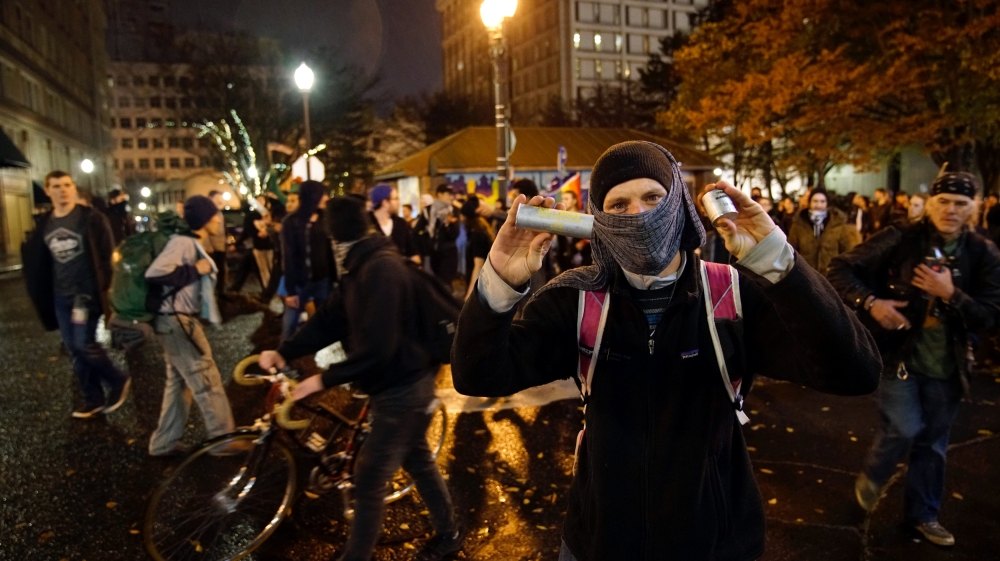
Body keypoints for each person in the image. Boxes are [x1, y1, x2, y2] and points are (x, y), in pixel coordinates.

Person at [452, 141, 881, 561]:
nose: (639, 214)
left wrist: (778, 263)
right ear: (598, 218)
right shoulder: (577, 298)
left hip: (716, 544)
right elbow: (479, 376)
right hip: (598, 542)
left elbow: (855, 371)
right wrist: (498, 283)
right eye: (618, 206)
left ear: (677, 202)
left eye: (653, 196)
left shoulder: (732, 295)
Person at [259, 196, 460, 561]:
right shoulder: (360, 266)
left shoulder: (382, 269)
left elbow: (381, 346)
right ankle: (449, 534)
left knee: (368, 478)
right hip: (395, 386)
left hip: (404, 388)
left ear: (336, 237)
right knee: (417, 460)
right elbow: (329, 320)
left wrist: (324, 380)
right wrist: (284, 351)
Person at [828, 172, 1000, 548]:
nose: (951, 210)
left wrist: (951, 294)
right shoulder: (901, 237)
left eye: (960, 204)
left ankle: (922, 515)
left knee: (933, 444)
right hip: (900, 356)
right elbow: (839, 269)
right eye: (943, 201)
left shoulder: (982, 252)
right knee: (904, 429)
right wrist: (872, 304)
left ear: (974, 208)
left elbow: (990, 315)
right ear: (929, 203)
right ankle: (872, 479)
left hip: (950, 366)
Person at [22, 171, 131, 418]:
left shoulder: (90, 219)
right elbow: (39, 261)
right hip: (61, 296)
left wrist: (108, 287)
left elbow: (107, 254)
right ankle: (92, 399)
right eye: (56, 186)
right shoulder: (45, 224)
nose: (62, 190)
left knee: (83, 343)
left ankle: (117, 379)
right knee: (73, 348)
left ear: (73, 189)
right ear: (48, 191)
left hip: (85, 295)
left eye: (67, 185)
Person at [144, 196, 235, 457]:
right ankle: (224, 440)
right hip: (177, 322)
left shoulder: (190, 241)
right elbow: (155, 274)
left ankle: (163, 443)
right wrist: (197, 269)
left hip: (175, 322)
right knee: (207, 380)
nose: (219, 219)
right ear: (206, 219)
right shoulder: (183, 243)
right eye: (215, 214)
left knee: (179, 383)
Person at [280, 181, 334, 341]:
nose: (326, 198)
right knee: (289, 325)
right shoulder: (291, 222)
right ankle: (282, 360)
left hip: (323, 281)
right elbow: (288, 256)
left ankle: (324, 360)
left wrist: (334, 280)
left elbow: (331, 251)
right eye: (323, 194)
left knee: (327, 323)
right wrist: (290, 291)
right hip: (299, 283)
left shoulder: (325, 219)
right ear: (313, 196)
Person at [787, 188, 862, 273]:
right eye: (815, 201)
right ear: (809, 203)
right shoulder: (798, 225)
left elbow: (846, 252)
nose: (819, 205)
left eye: (822, 201)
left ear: (827, 203)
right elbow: (791, 251)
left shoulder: (838, 225)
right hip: (806, 275)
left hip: (830, 275)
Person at [415, 185, 460, 286]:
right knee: (437, 283)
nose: (451, 197)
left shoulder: (453, 210)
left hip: (449, 252)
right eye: (448, 194)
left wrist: (449, 224)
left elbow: (455, 234)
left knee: (446, 283)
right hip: (434, 253)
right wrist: (424, 246)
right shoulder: (428, 211)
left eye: (452, 194)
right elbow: (416, 231)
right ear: (439, 194)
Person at [369, 183, 420, 264]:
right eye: (396, 199)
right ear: (385, 203)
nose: (399, 202)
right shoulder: (367, 225)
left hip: (399, 274)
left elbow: (413, 253)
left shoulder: (401, 224)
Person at [461, 197, 496, 300]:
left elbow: (478, 265)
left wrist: (470, 293)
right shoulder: (482, 229)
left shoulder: (477, 234)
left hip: (481, 288)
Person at [555, 190, 592, 273]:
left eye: (566, 199)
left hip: (585, 267)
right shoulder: (560, 221)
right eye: (562, 199)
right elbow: (560, 247)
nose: (563, 201)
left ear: (574, 200)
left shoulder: (584, 219)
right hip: (565, 268)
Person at [207, 190, 229, 297]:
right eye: (217, 199)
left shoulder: (219, 212)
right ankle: (214, 293)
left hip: (221, 247)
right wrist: (208, 246)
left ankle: (221, 291)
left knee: (222, 270)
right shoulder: (207, 213)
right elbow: (205, 231)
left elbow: (223, 230)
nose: (220, 201)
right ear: (211, 199)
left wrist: (226, 242)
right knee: (213, 271)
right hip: (212, 248)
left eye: (221, 198)